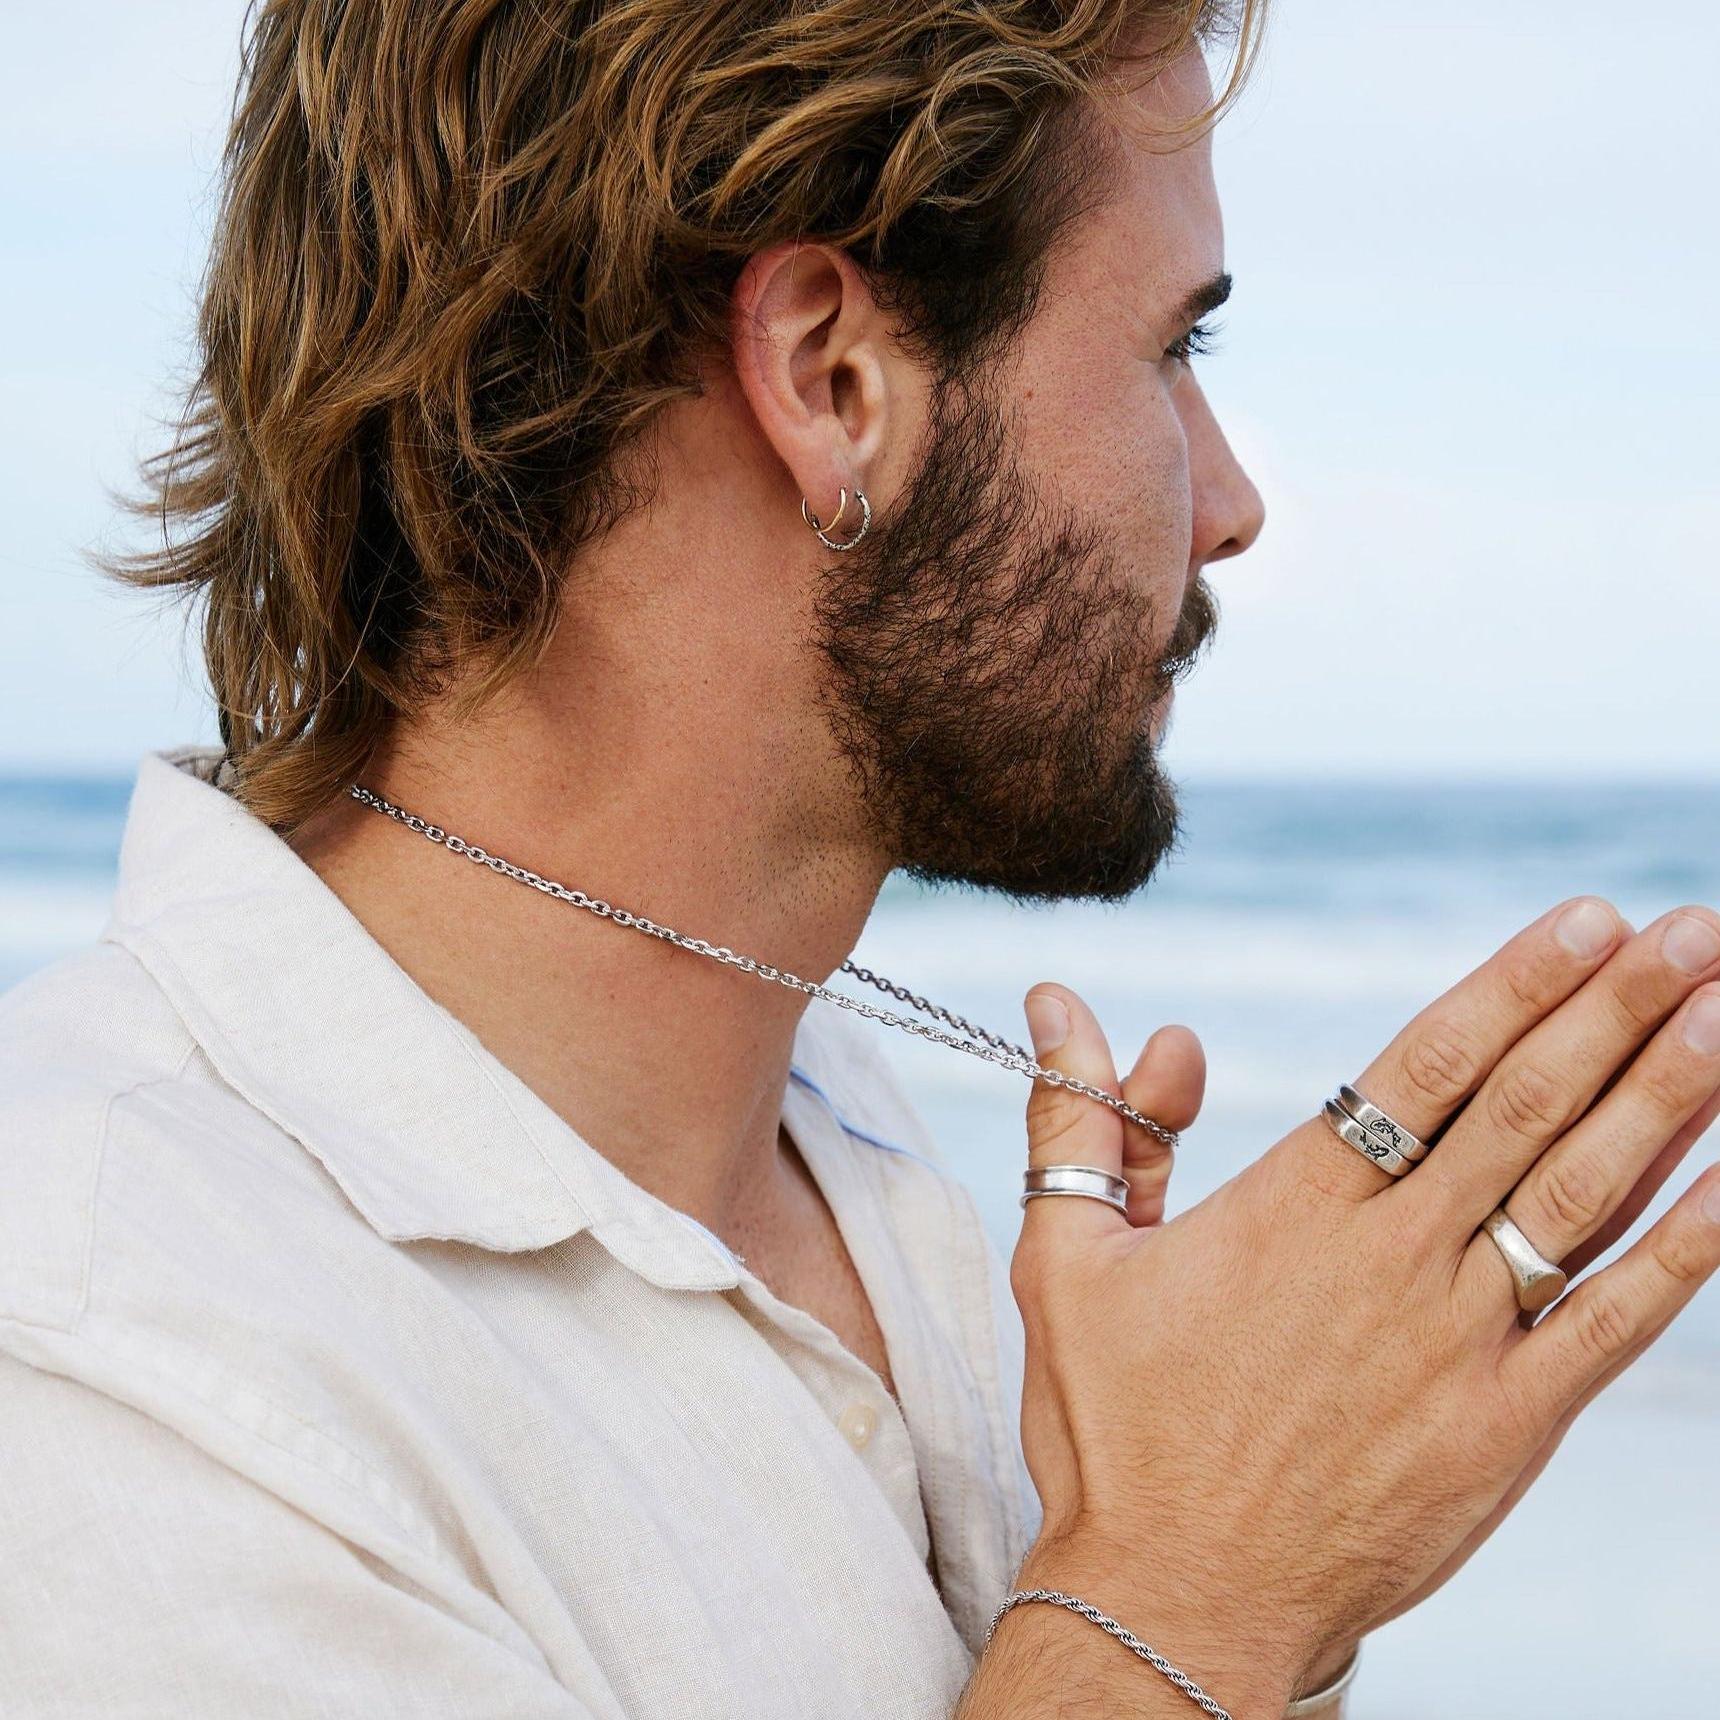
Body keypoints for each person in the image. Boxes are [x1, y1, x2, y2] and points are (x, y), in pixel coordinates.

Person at [3, 1, 1719, 1715]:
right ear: (833, 380)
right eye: (1172, 352)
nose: (1228, 500)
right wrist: (1194, 1581)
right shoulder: (112, 1353)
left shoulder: (837, 1125)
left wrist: (1271, 1551)